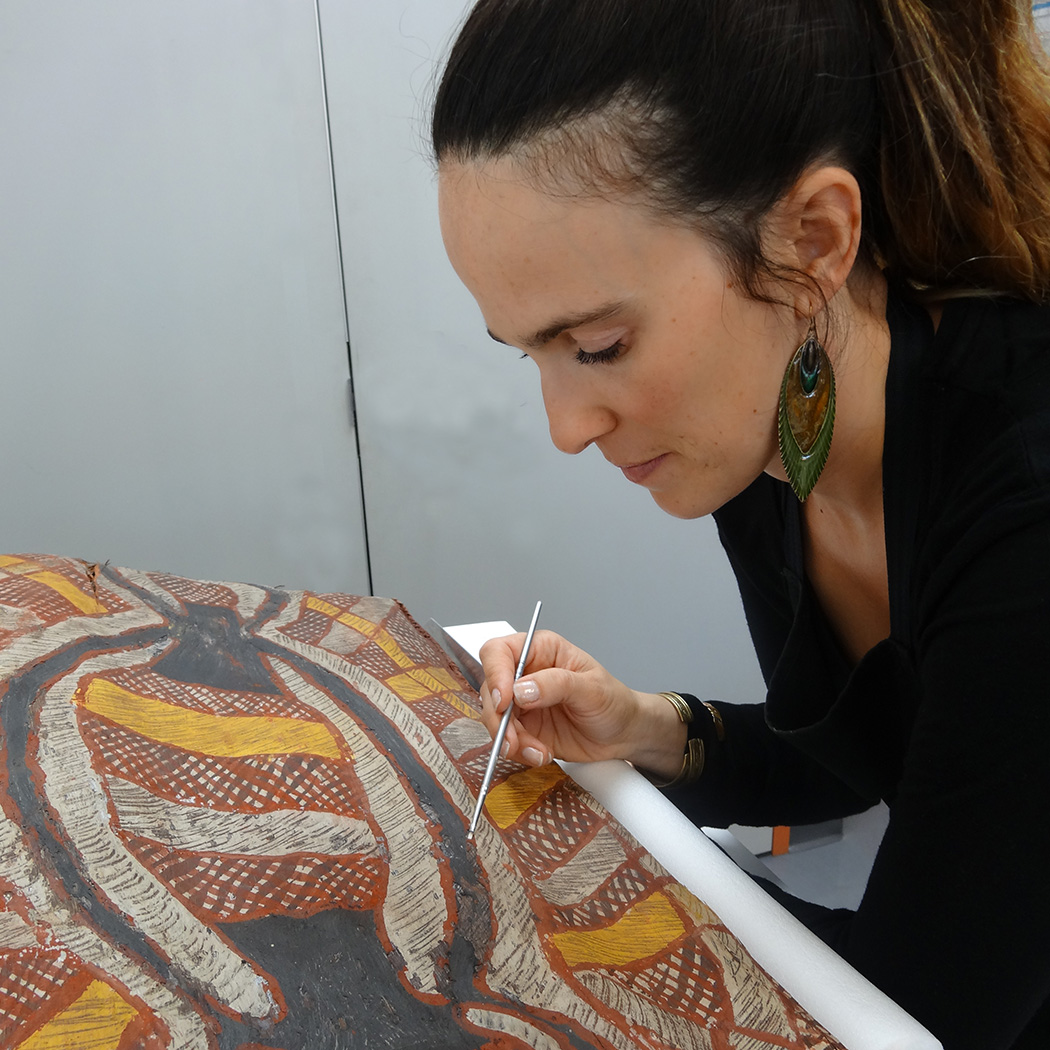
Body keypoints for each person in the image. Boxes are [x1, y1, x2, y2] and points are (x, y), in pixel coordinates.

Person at [431, 1, 1050, 1047]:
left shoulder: (1024, 503)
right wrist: (645, 727)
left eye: (598, 344)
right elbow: (894, 745)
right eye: (525, 353)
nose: (567, 427)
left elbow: (919, 1009)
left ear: (812, 242)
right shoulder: (780, 431)